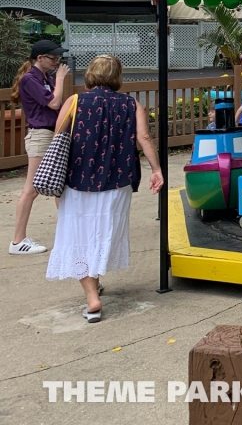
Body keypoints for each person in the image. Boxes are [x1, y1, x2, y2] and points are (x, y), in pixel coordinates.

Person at [45, 55, 164, 323]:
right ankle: (95, 284)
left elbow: (58, 138)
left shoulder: (74, 101)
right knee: (101, 232)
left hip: (77, 178)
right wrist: (156, 170)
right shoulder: (131, 104)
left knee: (77, 234)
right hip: (117, 179)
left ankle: (91, 295)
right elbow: (144, 137)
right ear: (117, 76)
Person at [9, 40, 70, 255]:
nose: (56, 61)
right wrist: (61, 79)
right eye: (52, 58)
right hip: (40, 135)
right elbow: (53, 103)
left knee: (57, 185)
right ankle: (17, 241)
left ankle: (68, 233)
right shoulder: (30, 79)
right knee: (32, 189)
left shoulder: (44, 78)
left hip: (50, 134)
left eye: (57, 58)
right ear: (39, 58)